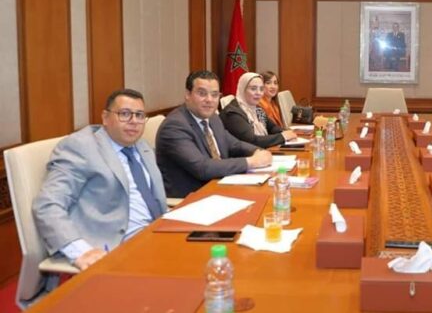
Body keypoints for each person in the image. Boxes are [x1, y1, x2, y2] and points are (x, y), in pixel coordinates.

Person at [33, 89, 167, 271]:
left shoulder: (141, 146)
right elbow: (47, 204)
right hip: (116, 248)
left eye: (139, 115)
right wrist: (80, 251)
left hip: (156, 236)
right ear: (105, 117)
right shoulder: (81, 147)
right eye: (124, 114)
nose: (134, 121)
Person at [155, 70, 272, 198]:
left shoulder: (213, 118)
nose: (209, 100)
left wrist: (257, 151)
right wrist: (251, 162)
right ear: (188, 94)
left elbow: (234, 144)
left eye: (214, 95)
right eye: (202, 94)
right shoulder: (174, 126)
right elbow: (202, 168)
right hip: (193, 198)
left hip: (220, 188)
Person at [221, 72, 297, 148]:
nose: (258, 93)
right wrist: (282, 137)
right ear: (242, 89)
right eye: (253, 89)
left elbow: (272, 127)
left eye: (261, 89)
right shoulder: (233, 113)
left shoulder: (257, 109)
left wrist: (286, 133)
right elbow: (252, 141)